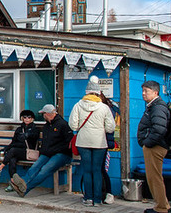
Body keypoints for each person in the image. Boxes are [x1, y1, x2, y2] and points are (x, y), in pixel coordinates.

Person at [69, 76, 116, 206]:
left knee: (87, 170)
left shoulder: (78, 105)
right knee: (97, 170)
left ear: (86, 92)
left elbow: (73, 125)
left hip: (83, 141)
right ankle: (97, 199)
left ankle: (88, 198)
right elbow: (110, 127)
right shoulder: (104, 108)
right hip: (99, 142)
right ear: (98, 93)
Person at [10, 104, 73, 197]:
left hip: (61, 154)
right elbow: (45, 142)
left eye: (43, 114)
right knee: (35, 167)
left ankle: (25, 188)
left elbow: (69, 142)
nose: (43, 116)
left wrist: (55, 150)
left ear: (47, 114)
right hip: (48, 153)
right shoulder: (47, 126)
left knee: (44, 170)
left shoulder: (63, 124)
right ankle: (22, 183)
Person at [137, 80, 171, 213]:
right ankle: (164, 204)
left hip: (156, 147)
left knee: (154, 177)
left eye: (147, 91)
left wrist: (147, 142)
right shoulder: (154, 106)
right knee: (155, 176)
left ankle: (161, 207)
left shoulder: (157, 107)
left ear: (155, 92)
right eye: (143, 91)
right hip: (156, 145)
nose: (143, 94)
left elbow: (159, 128)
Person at [0, 109, 37, 189]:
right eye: (25, 117)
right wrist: (5, 149)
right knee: (12, 159)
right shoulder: (19, 129)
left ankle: (0, 167)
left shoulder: (34, 129)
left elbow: (35, 137)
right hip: (17, 152)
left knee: (13, 151)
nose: (27, 119)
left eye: (29, 117)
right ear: (22, 118)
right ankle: (13, 183)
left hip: (28, 153)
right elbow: (13, 142)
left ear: (32, 119)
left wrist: (27, 135)